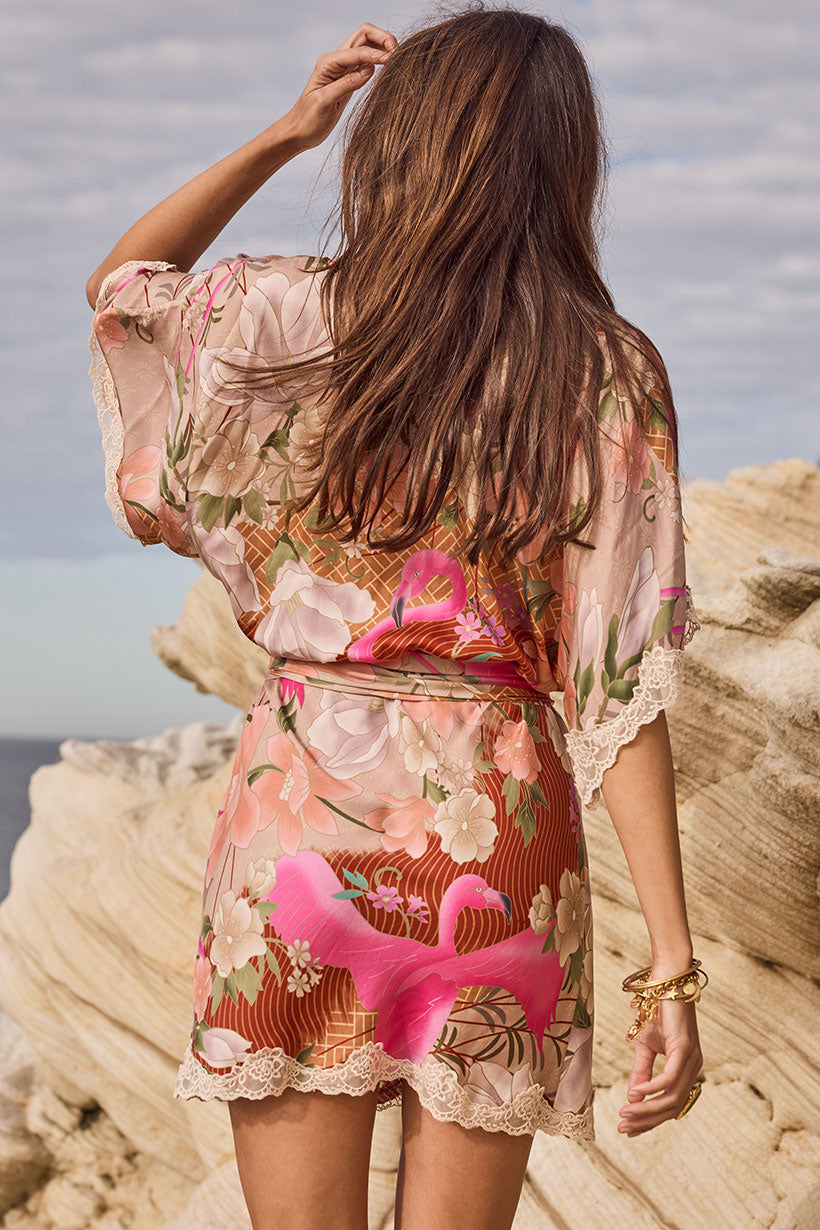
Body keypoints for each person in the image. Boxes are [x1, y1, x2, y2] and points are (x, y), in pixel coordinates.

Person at [86, 8, 706, 1229]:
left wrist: (282, 134)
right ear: (559, 161)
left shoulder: (263, 316)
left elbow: (122, 290)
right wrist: (671, 967)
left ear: (390, 144)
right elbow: (622, 683)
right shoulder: (601, 369)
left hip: (298, 829)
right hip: (499, 839)